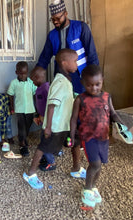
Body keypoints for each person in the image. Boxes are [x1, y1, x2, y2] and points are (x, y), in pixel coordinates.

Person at [33, 0, 99, 178]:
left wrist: (95, 82)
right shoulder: (52, 36)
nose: (55, 21)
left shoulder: (81, 28)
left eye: (57, 18)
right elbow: (45, 57)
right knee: (60, 120)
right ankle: (50, 154)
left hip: (81, 81)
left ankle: (76, 164)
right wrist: (38, 72)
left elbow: (92, 54)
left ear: (66, 13)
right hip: (62, 81)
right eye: (52, 19)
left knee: (77, 122)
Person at [70, 65, 125, 208]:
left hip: (103, 138)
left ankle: (93, 186)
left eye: (97, 84)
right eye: (89, 85)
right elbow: (73, 118)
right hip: (89, 139)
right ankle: (87, 189)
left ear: (102, 81)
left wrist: (123, 125)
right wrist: (71, 135)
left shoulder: (107, 97)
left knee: (100, 164)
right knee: (95, 164)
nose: (94, 88)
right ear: (83, 83)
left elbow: (113, 113)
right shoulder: (80, 99)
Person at [23, 49, 78, 189]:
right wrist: (48, 127)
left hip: (66, 124)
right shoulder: (59, 82)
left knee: (76, 143)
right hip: (56, 125)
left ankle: (76, 168)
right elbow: (52, 105)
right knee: (43, 148)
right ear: (65, 63)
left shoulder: (65, 80)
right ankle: (31, 173)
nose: (77, 64)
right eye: (75, 61)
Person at [7, 61, 37, 156]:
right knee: (21, 127)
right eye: (21, 74)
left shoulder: (31, 82)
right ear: (16, 72)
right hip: (19, 109)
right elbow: (10, 95)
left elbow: (35, 94)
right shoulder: (14, 83)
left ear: (27, 72)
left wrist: (38, 107)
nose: (23, 76)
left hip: (30, 109)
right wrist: (11, 107)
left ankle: (24, 139)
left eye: (25, 73)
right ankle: (22, 145)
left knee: (27, 126)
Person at [30, 67, 56, 172]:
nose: (33, 82)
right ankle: (46, 158)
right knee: (44, 139)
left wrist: (46, 119)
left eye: (33, 80)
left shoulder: (46, 89)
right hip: (43, 118)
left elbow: (50, 106)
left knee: (45, 140)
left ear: (38, 78)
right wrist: (38, 116)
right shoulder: (39, 88)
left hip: (47, 119)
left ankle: (51, 162)